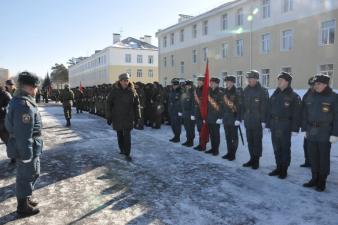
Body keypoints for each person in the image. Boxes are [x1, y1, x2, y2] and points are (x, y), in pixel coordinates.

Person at [5, 71, 42, 217]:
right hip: (26, 146)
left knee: (33, 172)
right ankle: (22, 206)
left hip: (31, 144)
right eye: (36, 87)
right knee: (25, 175)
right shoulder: (23, 105)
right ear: (31, 87)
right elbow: (23, 133)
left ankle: (27, 197)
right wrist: (26, 154)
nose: (37, 90)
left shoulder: (22, 100)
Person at [302, 74, 338, 192]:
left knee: (323, 158)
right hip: (312, 131)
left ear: (325, 84)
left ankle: (322, 181)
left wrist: (335, 134)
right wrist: (306, 129)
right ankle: (314, 178)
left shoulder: (333, 97)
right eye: (315, 84)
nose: (316, 86)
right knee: (313, 157)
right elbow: (305, 114)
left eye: (318, 84)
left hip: (325, 132)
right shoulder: (311, 96)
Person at [266, 72, 301, 179]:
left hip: (285, 126)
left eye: (281, 80)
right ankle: (278, 167)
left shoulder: (294, 96)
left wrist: (295, 129)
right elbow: (269, 110)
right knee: (276, 148)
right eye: (278, 80)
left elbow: (297, 114)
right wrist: (268, 124)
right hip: (274, 125)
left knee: (285, 148)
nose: (279, 82)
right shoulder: (275, 94)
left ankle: (284, 170)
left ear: (287, 82)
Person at [106, 73, 141, 161]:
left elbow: (137, 105)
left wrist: (138, 116)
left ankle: (127, 152)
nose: (125, 82)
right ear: (120, 81)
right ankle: (122, 149)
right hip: (117, 117)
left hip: (128, 117)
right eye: (123, 81)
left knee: (127, 136)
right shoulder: (114, 91)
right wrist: (109, 116)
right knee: (120, 135)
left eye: (127, 80)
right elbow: (108, 104)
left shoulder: (132, 91)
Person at [242, 70, 269, 169]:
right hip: (248, 120)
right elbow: (243, 106)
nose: (249, 80)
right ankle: (251, 158)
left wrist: (263, 121)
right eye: (248, 78)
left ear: (256, 79)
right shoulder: (246, 90)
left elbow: (264, 107)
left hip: (257, 121)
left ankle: (256, 161)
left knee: (257, 141)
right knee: (250, 141)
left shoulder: (262, 90)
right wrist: (243, 117)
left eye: (251, 78)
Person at [221, 75, 241, 161]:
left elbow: (240, 106)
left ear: (233, 82)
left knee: (234, 138)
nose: (227, 83)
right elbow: (222, 105)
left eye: (229, 82)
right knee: (228, 137)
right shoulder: (224, 92)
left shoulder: (237, 92)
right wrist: (221, 116)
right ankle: (229, 152)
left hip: (233, 118)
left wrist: (238, 119)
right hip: (226, 118)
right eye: (226, 82)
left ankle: (233, 154)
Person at [205, 77, 223, 156]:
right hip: (209, 116)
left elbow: (222, 107)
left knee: (216, 134)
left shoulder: (220, 93)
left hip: (216, 117)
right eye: (210, 82)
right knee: (211, 134)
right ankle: (212, 148)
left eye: (213, 82)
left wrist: (220, 117)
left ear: (217, 84)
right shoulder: (209, 92)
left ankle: (216, 150)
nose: (211, 84)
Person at [300, 77, 315, 168]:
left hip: (318, 126)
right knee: (306, 145)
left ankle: (315, 163)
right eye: (310, 85)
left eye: (313, 84)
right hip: (308, 125)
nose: (312, 87)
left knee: (315, 146)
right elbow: (302, 109)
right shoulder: (307, 95)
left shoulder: (320, 95)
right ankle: (307, 161)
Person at [0, 85, 14, 164]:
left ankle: (13, 156)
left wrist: (3, 109)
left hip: (3, 120)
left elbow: (11, 106)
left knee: (7, 140)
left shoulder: (5, 94)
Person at [180, 80, 195, 147]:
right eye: (186, 86)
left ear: (191, 86)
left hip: (190, 114)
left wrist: (193, 114)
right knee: (186, 128)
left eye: (189, 86)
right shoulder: (184, 93)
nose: (187, 87)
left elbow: (193, 105)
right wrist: (181, 111)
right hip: (185, 113)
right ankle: (188, 140)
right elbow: (182, 103)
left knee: (190, 128)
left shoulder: (193, 93)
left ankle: (191, 141)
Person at [168, 78, 182, 143]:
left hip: (177, 111)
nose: (174, 86)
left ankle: (177, 137)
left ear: (178, 85)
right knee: (173, 125)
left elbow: (181, 102)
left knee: (177, 125)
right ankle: (175, 136)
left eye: (175, 85)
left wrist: (180, 111)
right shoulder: (172, 91)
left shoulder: (180, 91)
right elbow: (170, 100)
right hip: (172, 110)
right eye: (173, 85)